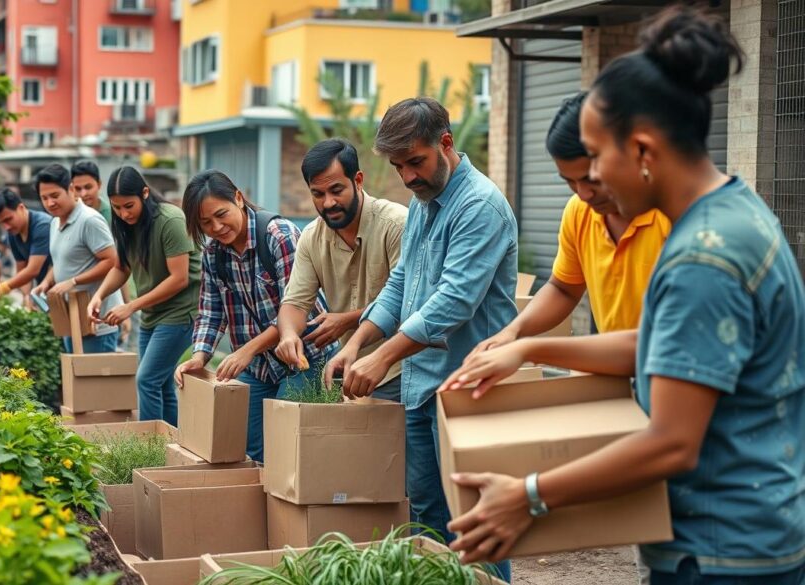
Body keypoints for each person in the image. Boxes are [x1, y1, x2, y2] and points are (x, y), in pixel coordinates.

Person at [440, 8, 804, 585]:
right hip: (746, 534)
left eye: (596, 158)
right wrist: (530, 349)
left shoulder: (701, 259)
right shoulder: (732, 213)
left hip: (722, 552)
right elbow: (658, 347)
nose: (593, 187)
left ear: (640, 150)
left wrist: (528, 495)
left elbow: (671, 445)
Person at [323, 97, 517, 581]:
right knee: (427, 517)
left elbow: (454, 302)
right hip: (420, 388)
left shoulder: (479, 206)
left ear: (445, 144)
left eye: (415, 162)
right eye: (398, 166)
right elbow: (402, 283)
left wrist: (383, 356)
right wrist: (356, 343)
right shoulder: (425, 203)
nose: (407, 176)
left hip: (469, 388)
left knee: (476, 521)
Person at [471, 92, 671, 354]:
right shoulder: (579, 211)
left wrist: (529, 350)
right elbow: (564, 288)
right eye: (570, 181)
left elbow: (669, 339)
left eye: (591, 179)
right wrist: (513, 332)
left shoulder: (675, 218)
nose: (583, 193)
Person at [173, 170, 336, 462]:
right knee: (247, 445)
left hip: (306, 358)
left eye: (221, 214)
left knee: (287, 445)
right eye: (206, 223)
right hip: (261, 367)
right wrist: (198, 358)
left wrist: (246, 351)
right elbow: (211, 311)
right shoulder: (213, 254)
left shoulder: (279, 236)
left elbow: (298, 309)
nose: (217, 227)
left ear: (238, 197)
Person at [275, 138, 407, 402]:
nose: (328, 203)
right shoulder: (311, 237)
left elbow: (409, 301)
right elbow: (295, 303)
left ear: (358, 180)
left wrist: (348, 319)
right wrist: (288, 335)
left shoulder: (397, 224)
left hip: (403, 367)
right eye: (318, 194)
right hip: (351, 371)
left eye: (336, 190)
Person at [89, 167, 201, 427]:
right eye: (117, 208)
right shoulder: (126, 224)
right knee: (160, 383)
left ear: (145, 193)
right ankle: (173, 445)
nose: (123, 213)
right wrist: (99, 296)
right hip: (153, 314)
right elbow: (121, 267)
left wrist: (131, 306)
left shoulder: (170, 220)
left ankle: (149, 450)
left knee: (146, 379)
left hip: (181, 312)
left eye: (129, 205)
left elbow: (179, 278)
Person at [32, 164, 123, 353]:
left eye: (55, 196)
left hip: (97, 322)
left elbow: (112, 261)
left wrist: (73, 281)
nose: (49, 203)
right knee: (77, 380)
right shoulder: (55, 222)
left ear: (71, 190)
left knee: (96, 382)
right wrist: (47, 282)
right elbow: (62, 261)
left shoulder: (89, 220)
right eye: (44, 198)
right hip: (72, 318)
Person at [72, 160, 134, 346]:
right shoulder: (75, 215)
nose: (83, 193)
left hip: (118, 295)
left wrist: (126, 307)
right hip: (88, 300)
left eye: (88, 187)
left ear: (99, 184)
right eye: (78, 188)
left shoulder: (112, 215)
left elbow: (119, 264)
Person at [0, 187, 52, 310]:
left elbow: (33, 270)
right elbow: (22, 271)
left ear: (21, 208)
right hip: (44, 291)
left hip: (62, 287)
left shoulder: (42, 225)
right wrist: (27, 296)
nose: (6, 226)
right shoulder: (13, 234)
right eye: (1, 223)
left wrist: (3, 288)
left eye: (8, 219)